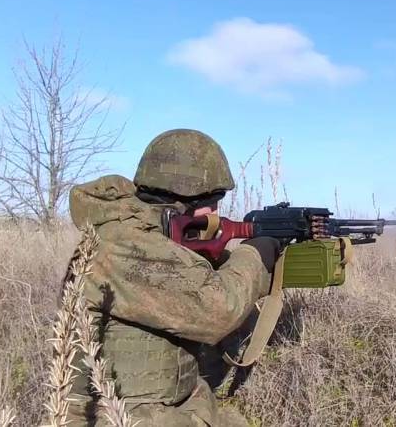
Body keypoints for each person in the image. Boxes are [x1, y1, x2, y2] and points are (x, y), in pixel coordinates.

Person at [65, 128, 281, 426]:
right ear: (184, 200)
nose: (217, 212)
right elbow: (219, 309)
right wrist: (256, 253)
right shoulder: (122, 245)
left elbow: (185, 280)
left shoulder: (146, 235)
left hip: (164, 407)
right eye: (214, 201)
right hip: (116, 418)